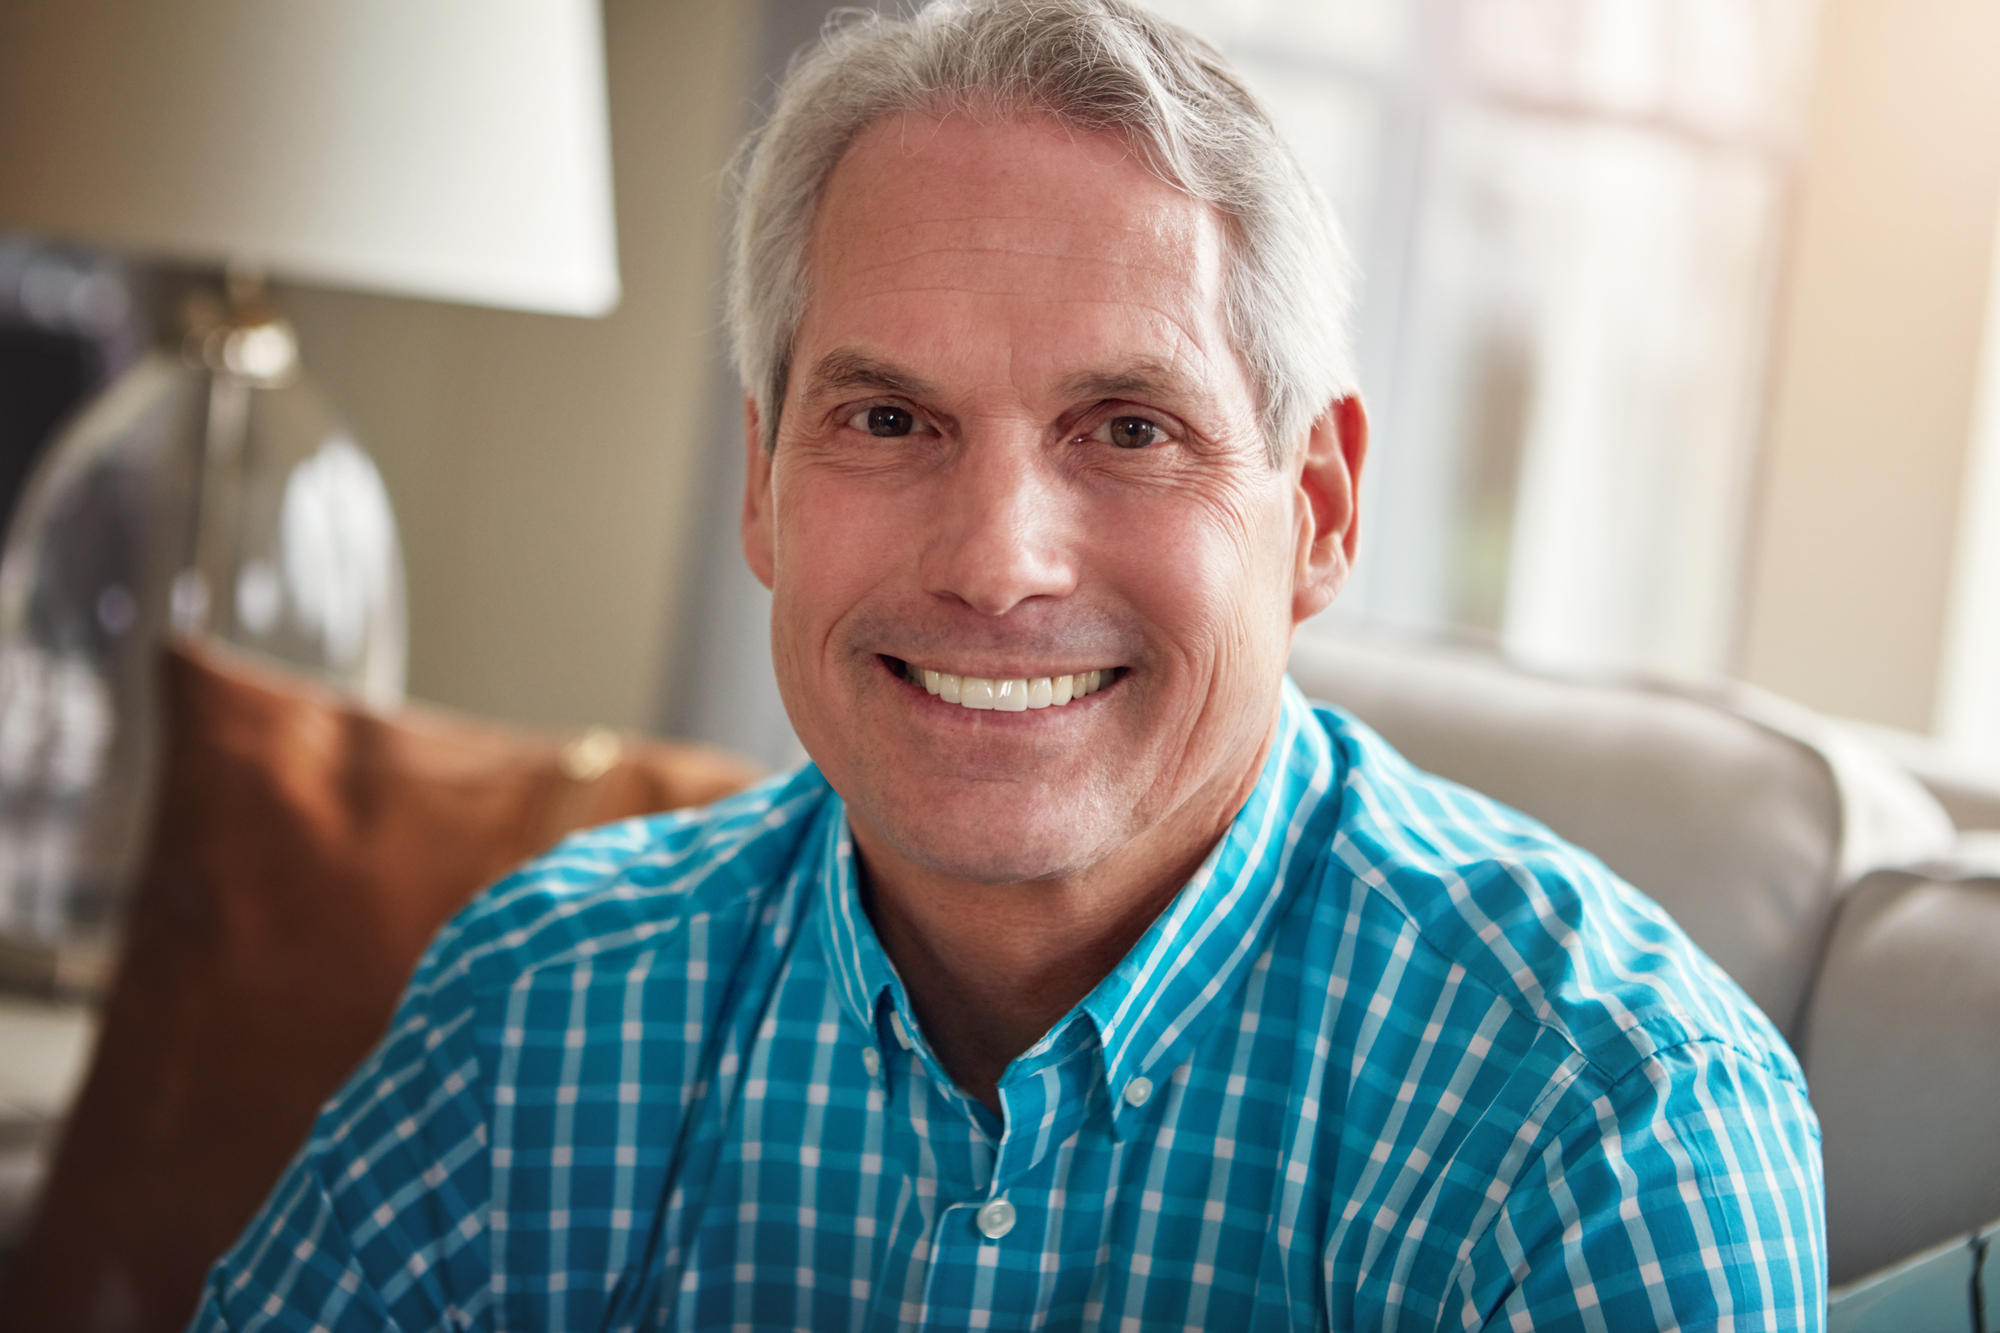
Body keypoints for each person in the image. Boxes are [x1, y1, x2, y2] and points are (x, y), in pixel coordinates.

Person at [192, 1, 1824, 1328]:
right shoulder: (540, 1014)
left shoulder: (1597, 1127)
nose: (994, 560)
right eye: (889, 419)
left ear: (1317, 509)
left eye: (1128, 428)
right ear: (764, 486)